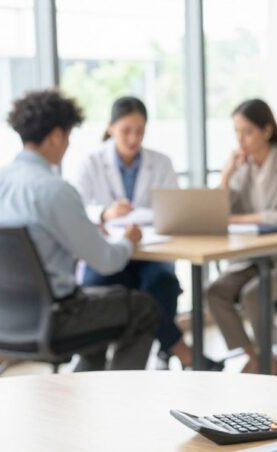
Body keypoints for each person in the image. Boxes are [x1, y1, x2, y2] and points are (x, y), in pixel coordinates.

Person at [0, 89, 160, 371]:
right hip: (53, 317)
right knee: (144, 308)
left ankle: (82, 394)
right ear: (56, 136)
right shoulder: (54, 190)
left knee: (101, 310)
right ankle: (121, 397)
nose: (68, 144)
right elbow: (107, 261)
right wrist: (130, 241)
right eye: (69, 136)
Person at [71, 96, 220, 371]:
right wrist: (105, 213)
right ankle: (182, 351)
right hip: (110, 252)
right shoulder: (91, 162)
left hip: (151, 252)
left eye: (140, 131)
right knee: (97, 281)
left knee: (162, 282)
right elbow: (76, 207)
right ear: (111, 127)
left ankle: (136, 362)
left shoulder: (160, 162)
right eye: (126, 130)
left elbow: (174, 209)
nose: (133, 138)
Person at [206, 98, 277, 374]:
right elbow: (218, 213)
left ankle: (267, 361)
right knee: (216, 291)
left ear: (267, 130)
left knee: (254, 294)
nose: (240, 139)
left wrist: (243, 218)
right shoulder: (243, 169)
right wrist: (225, 175)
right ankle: (255, 357)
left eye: (248, 131)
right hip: (254, 259)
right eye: (236, 132)